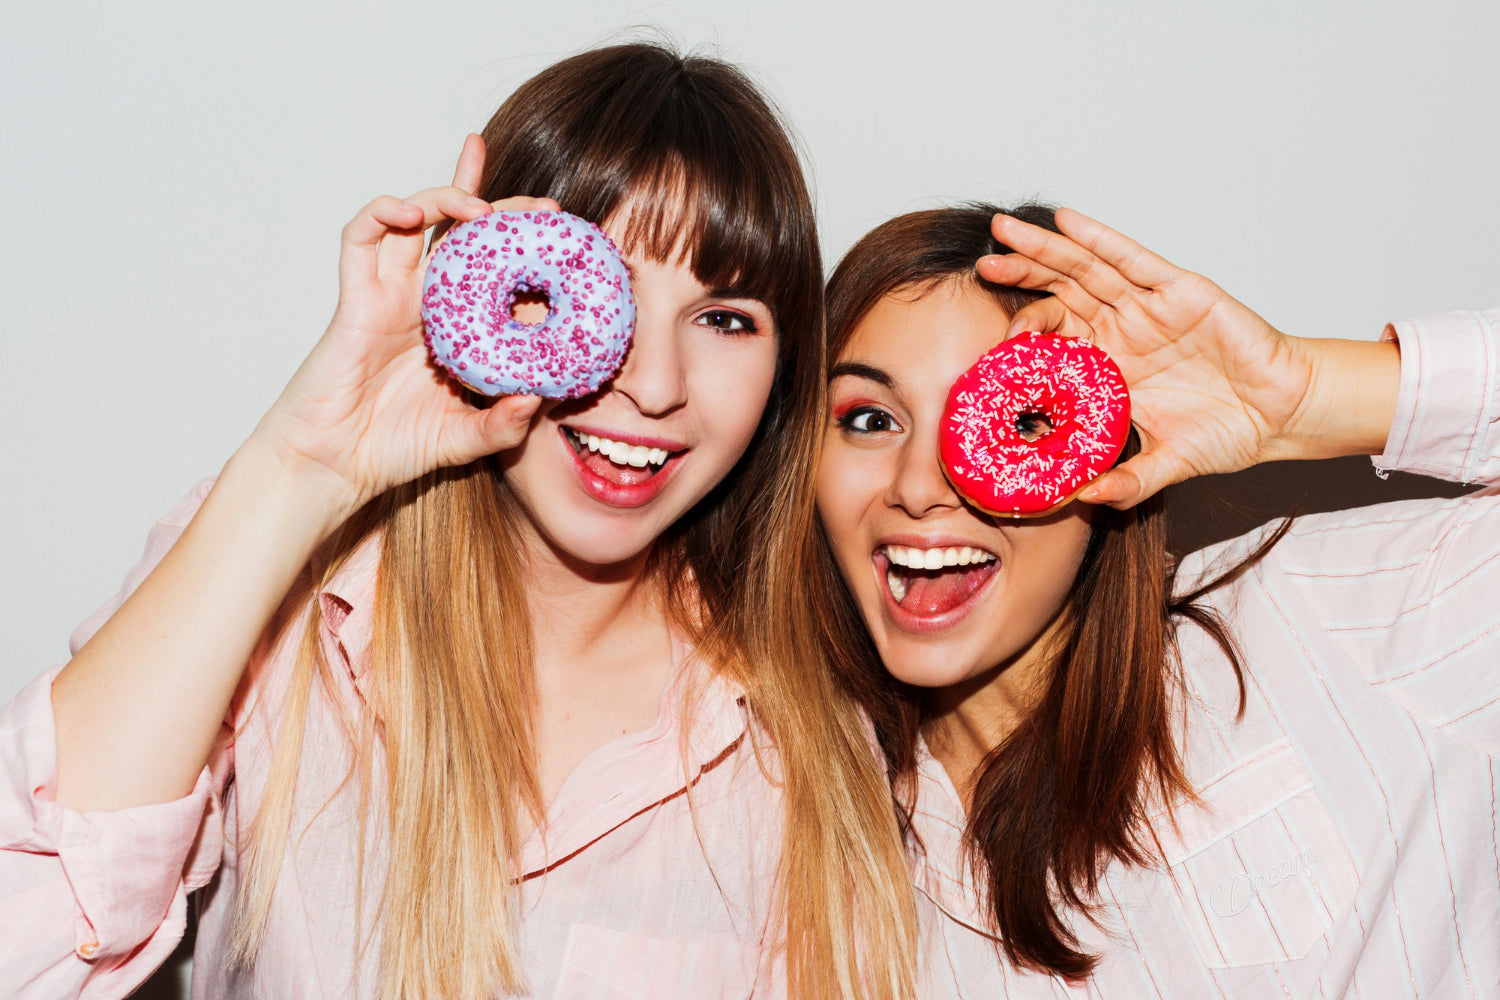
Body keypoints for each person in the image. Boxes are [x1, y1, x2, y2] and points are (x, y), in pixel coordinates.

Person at [0, 44, 917, 1000]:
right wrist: (300, 467)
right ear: (485, 292)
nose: (653, 385)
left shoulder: (807, 746)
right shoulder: (282, 607)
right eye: (594, 290)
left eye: (725, 319)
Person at [813, 203, 1500, 996]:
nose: (918, 486)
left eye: (1023, 423)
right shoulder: (792, 857)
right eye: (870, 419)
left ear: (1110, 448)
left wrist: (1305, 393)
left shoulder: (1323, 628)